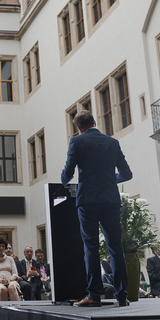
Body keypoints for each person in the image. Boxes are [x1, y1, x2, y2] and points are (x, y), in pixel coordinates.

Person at [61, 110, 133, 308]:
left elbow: (68, 173)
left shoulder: (77, 142)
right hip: (110, 200)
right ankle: (121, 296)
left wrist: (63, 178)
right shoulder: (113, 142)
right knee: (116, 248)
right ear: (94, 121)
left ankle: (93, 295)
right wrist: (110, 180)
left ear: (78, 128)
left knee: (91, 247)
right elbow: (127, 174)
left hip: (88, 200)